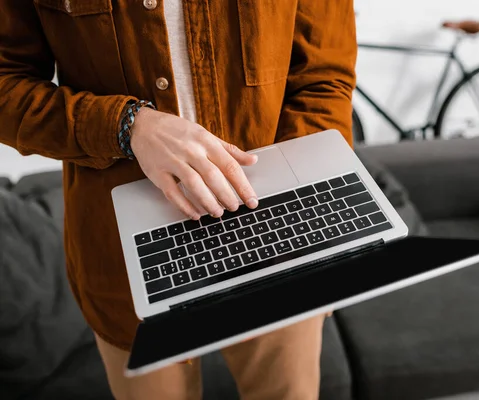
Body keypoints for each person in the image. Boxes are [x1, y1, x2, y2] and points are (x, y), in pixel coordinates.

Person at [0, 1, 357, 399]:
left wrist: (301, 210)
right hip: (127, 258)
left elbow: (324, 76)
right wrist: (127, 126)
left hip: (278, 237)